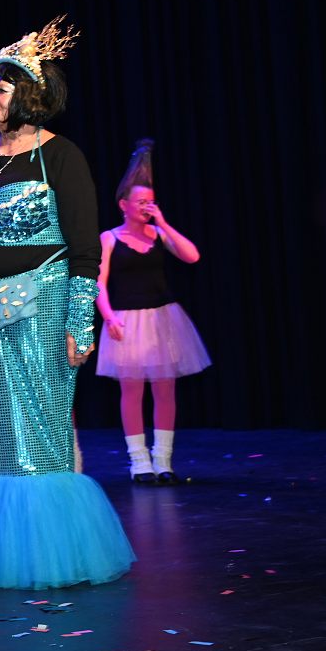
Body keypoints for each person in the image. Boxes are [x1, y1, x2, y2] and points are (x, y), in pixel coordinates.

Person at [0, 18, 135, 589]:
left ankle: (50, 555)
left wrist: (79, 320)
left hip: (40, 303)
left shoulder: (62, 156)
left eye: (1, 88)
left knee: (38, 427)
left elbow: (85, 249)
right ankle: (1, 552)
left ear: (30, 96)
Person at [96, 139, 209, 484]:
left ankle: (163, 460)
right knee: (132, 391)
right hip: (127, 320)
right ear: (124, 204)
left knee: (165, 389)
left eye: (151, 201)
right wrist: (109, 316)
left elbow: (192, 256)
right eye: (141, 202)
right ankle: (139, 461)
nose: (147, 206)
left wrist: (164, 222)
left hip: (162, 319)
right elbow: (98, 282)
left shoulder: (159, 234)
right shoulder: (110, 238)